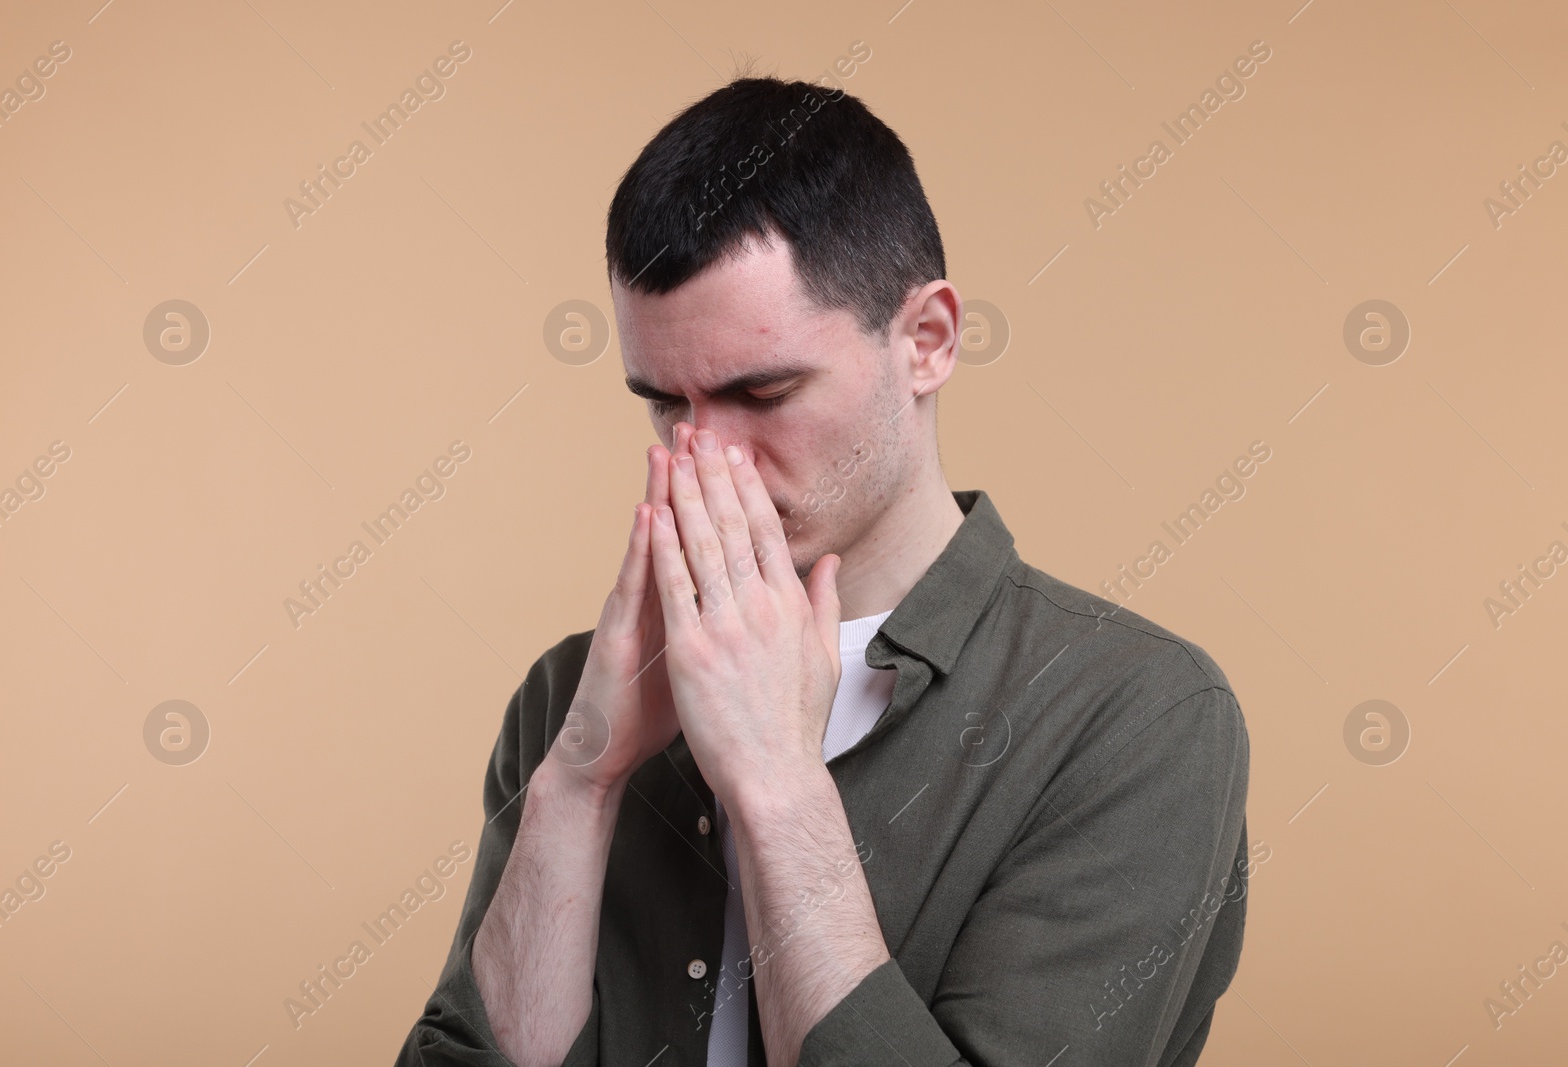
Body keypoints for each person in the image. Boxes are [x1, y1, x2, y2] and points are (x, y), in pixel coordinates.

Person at [396, 75, 1251, 1067]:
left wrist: (775, 780)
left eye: (761, 390)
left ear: (926, 340)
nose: (705, 455)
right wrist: (580, 781)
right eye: (664, 403)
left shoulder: (1138, 715)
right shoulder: (570, 698)